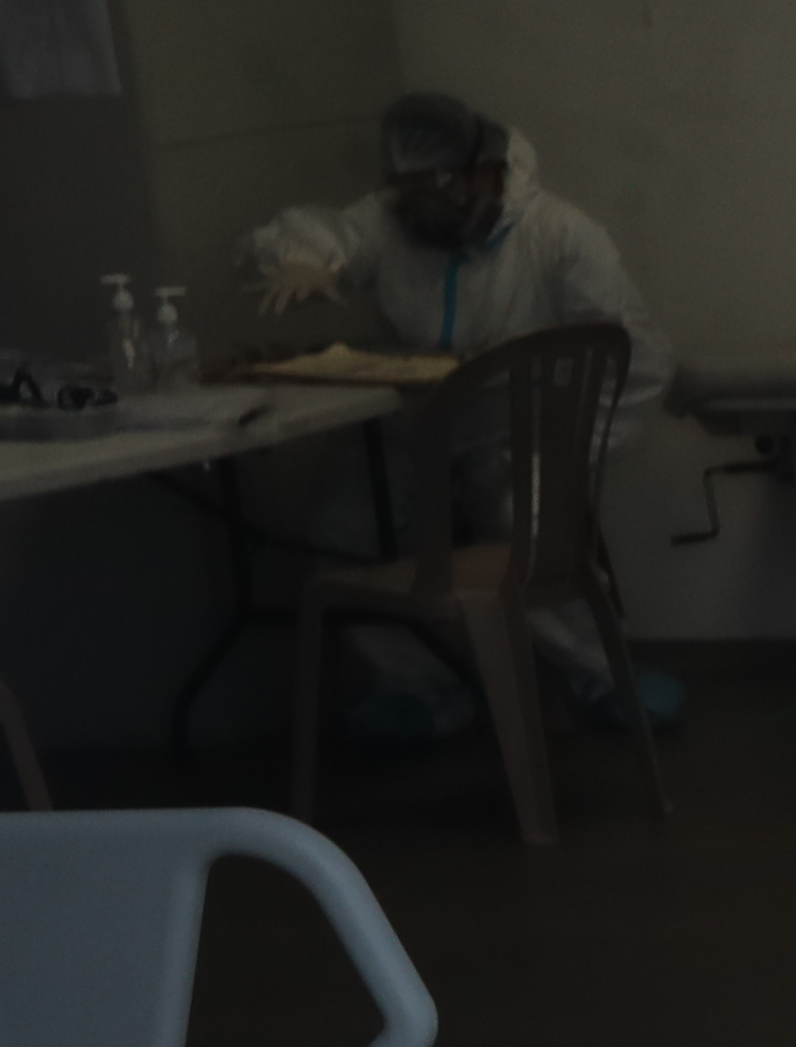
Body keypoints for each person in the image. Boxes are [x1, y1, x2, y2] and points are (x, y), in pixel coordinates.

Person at [245, 93, 677, 733]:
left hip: (517, 428)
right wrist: (303, 257)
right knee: (338, 526)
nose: (427, 207)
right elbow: (334, 229)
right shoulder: (396, 219)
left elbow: (636, 354)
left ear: (487, 167)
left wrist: (570, 447)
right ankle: (417, 686)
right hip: (412, 432)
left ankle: (602, 675)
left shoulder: (557, 234)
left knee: (527, 528)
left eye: (441, 186)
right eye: (408, 188)